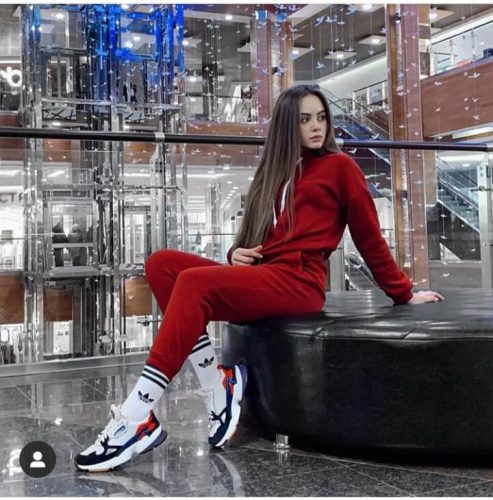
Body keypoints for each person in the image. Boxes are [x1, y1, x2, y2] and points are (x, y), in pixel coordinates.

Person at [75, 84, 444, 472]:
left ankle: (136, 416)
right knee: (162, 264)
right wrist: (234, 254)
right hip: (265, 273)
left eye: (321, 117)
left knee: (193, 284)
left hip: (300, 281)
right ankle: (216, 387)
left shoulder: (340, 168)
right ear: (287, 125)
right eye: (305, 119)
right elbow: (252, 239)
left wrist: (403, 293)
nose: (316, 126)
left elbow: (369, 236)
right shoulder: (274, 174)